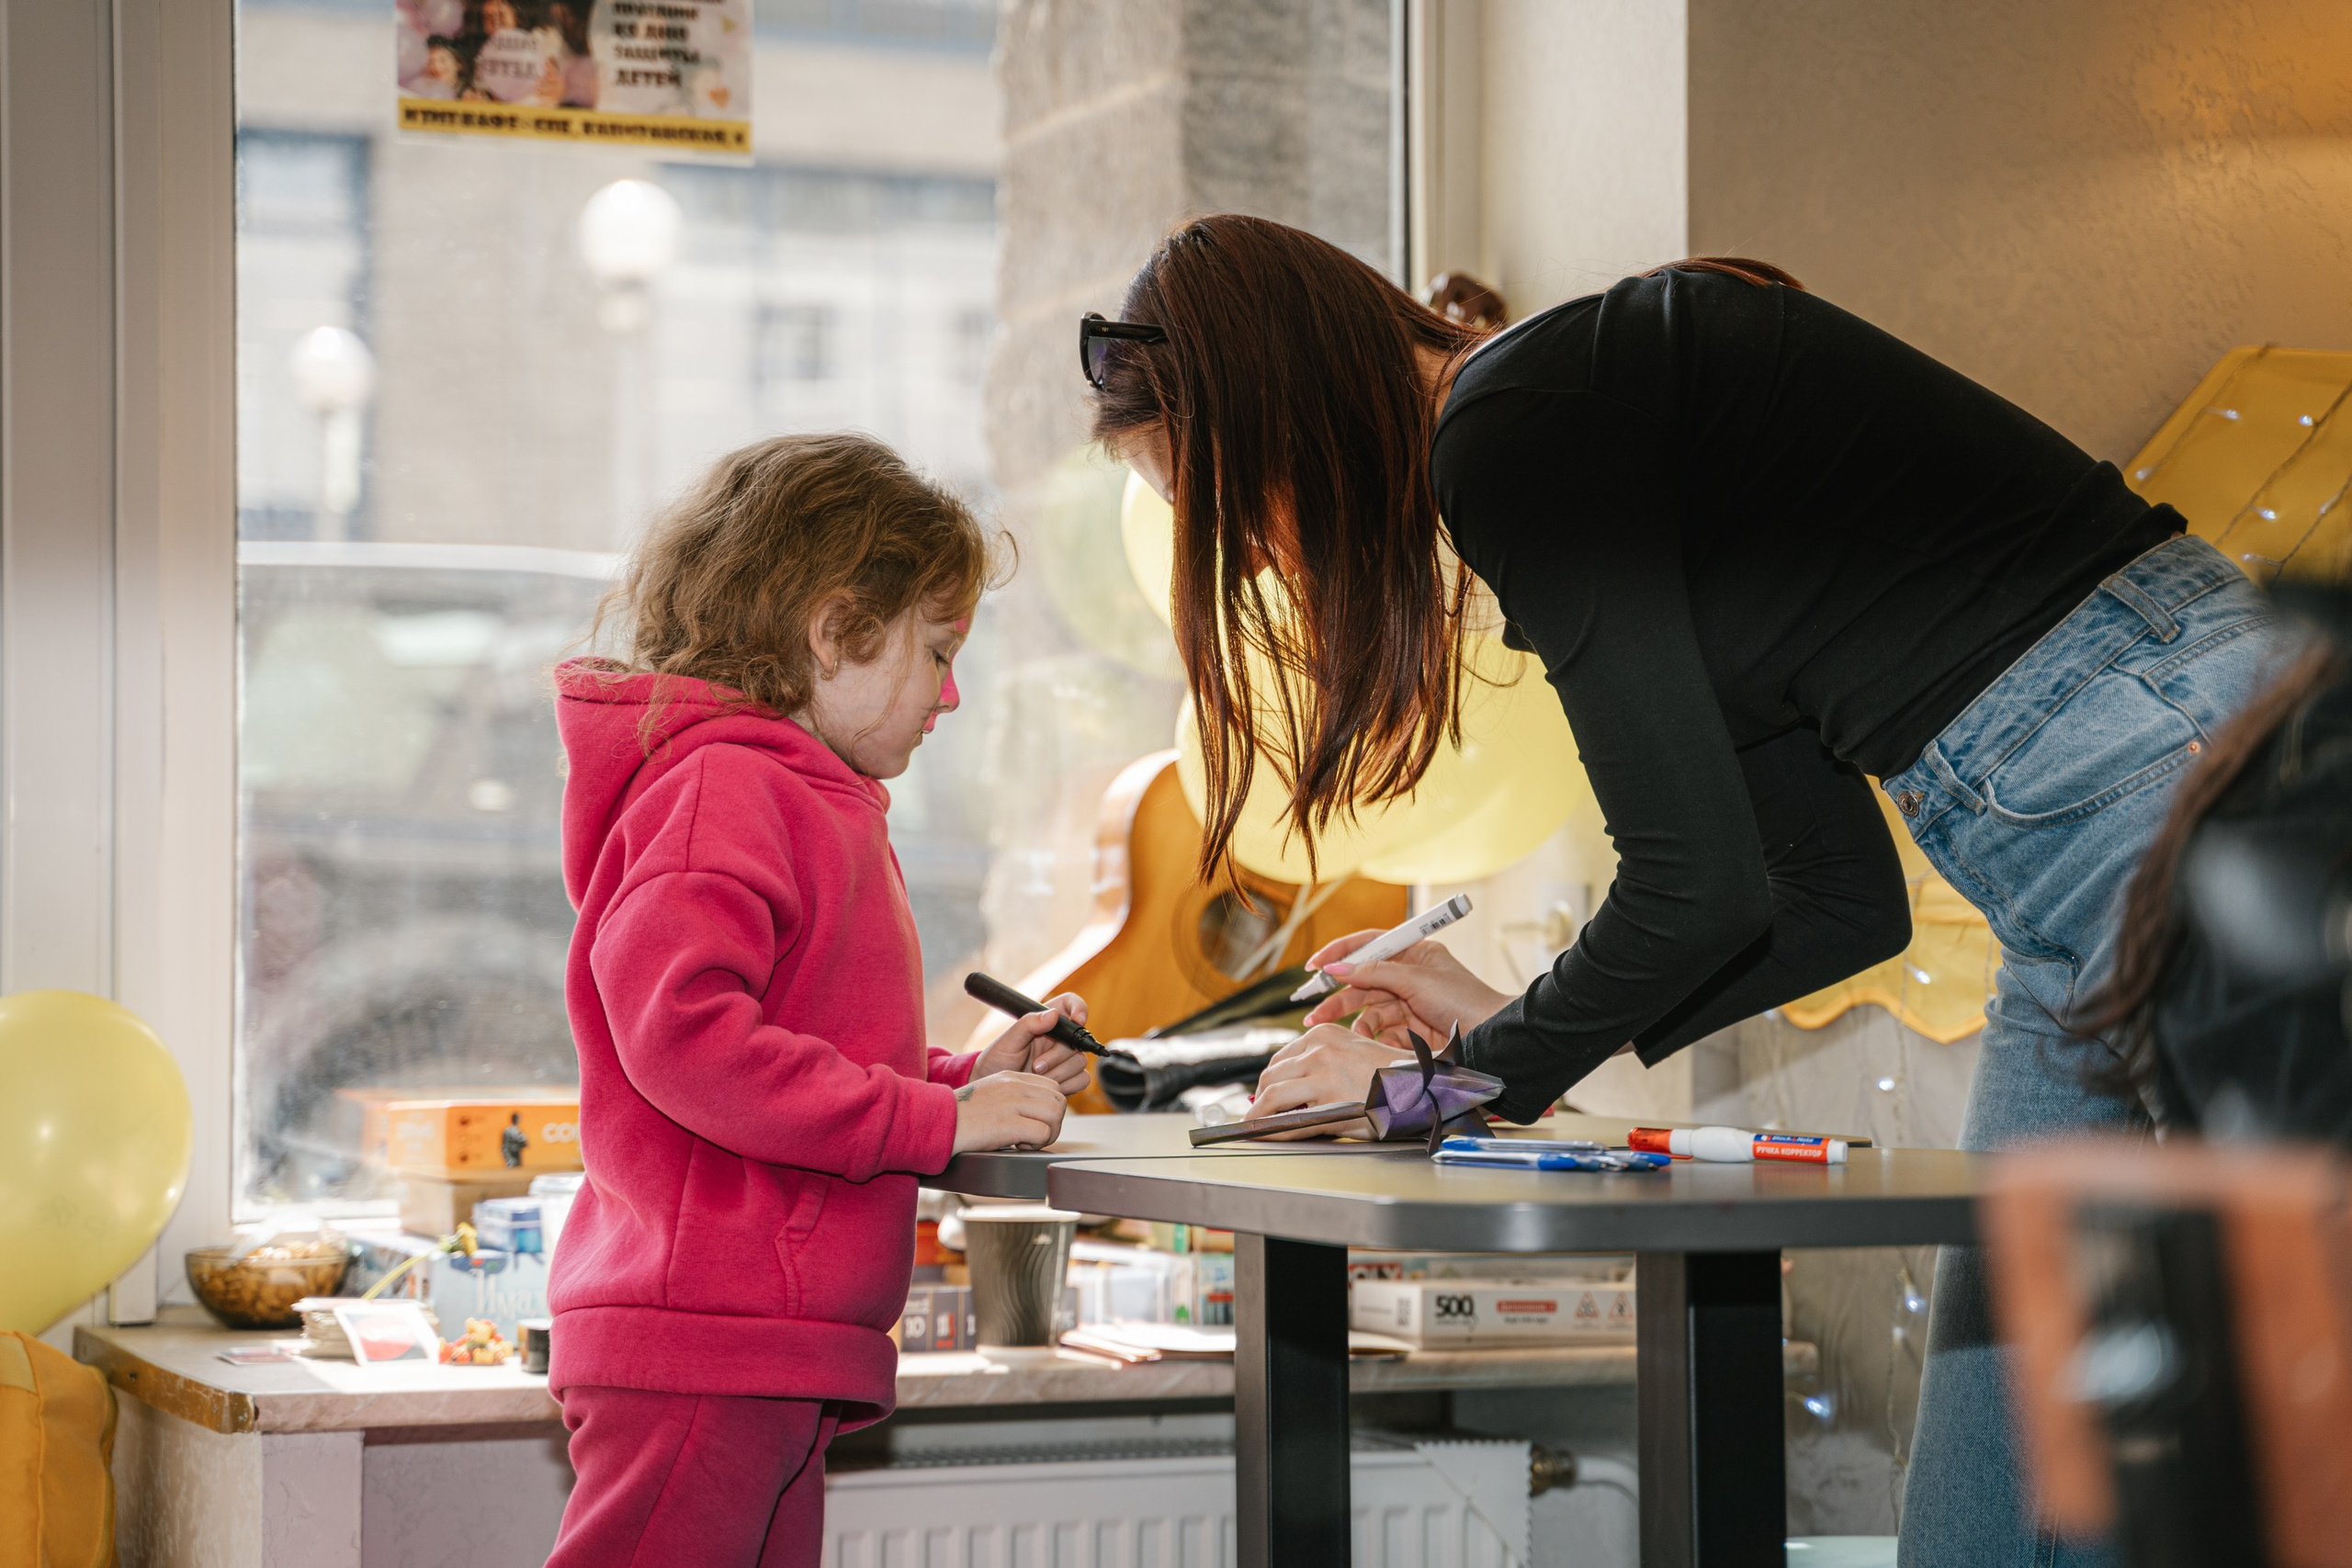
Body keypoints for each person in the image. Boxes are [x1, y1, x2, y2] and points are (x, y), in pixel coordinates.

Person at [1083, 213, 2288, 1566]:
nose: (1245, 556)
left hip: (2173, 770)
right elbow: (1829, 896)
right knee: (1984, 1495)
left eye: (1220, 506)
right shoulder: (1599, 437)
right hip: (2079, 872)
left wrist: (1442, 1085)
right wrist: (1497, 1017)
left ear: (1281, 418)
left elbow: (1691, 883)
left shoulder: (1514, 429)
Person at [542, 432, 1091, 1568]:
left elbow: (808, 1046)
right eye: (936, 651)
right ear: (836, 630)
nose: (952, 693)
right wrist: (935, 1124)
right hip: (707, 1337)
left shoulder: (805, 797)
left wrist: (965, 1081)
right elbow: (690, 1043)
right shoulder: (725, 791)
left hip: (772, 1341)